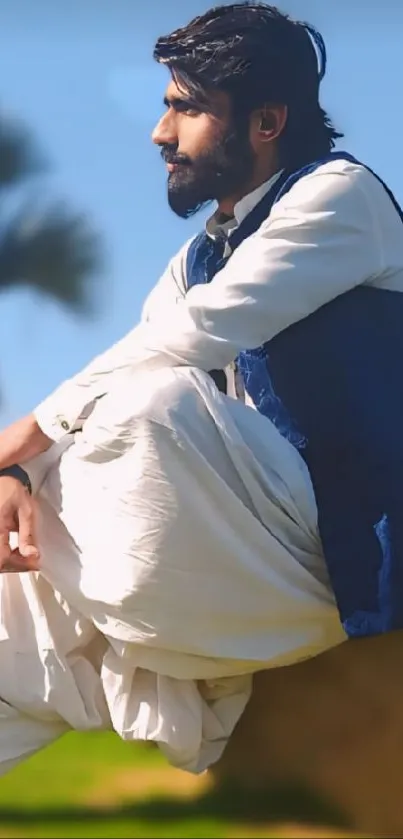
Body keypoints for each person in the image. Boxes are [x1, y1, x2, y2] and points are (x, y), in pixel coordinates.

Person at [0, 1, 401, 775]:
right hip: (226, 532)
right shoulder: (197, 257)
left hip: (322, 543)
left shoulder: (341, 199)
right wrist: (18, 476)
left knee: (153, 409)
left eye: (185, 109)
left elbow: (198, 335)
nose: (160, 134)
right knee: (10, 622)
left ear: (266, 121)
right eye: (164, 107)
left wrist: (22, 434)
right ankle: (149, 658)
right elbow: (123, 371)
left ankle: (161, 657)